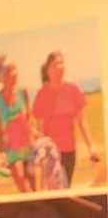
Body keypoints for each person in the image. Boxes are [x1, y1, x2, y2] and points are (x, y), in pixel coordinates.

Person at [33, 51, 99, 185]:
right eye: (55, 64)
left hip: (70, 150)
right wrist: (40, 152)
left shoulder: (73, 89)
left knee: (65, 186)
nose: (60, 67)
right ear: (48, 70)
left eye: (62, 63)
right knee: (57, 188)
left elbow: (82, 120)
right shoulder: (42, 94)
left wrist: (91, 146)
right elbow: (39, 126)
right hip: (50, 153)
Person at [0, 56, 34, 192]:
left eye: (15, 69)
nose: (14, 73)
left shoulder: (23, 93)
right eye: (9, 71)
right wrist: (2, 154)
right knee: (24, 188)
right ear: (1, 77)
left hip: (28, 146)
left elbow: (29, 119)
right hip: (11, 150)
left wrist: (35, 137)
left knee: (34, 186)